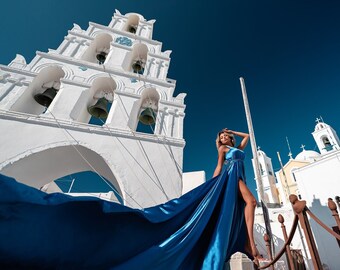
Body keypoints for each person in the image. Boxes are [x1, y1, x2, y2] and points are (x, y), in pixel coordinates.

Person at [213, 128, 261, 265]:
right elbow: (219, 167)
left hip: (241, 176)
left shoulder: (237, 148)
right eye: (220, 137)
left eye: (224, 136)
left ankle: (248, 244)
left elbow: (247, 136)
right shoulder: (222, 149)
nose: (223, 138)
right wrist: (213, 184)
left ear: (229, 137)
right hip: (232, 176)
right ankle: (251, 245)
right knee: (251, 201)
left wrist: (232, 131)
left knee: (248, 204)